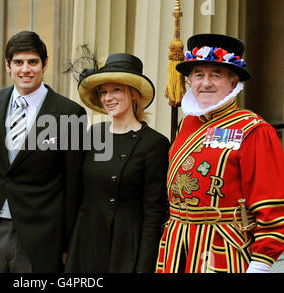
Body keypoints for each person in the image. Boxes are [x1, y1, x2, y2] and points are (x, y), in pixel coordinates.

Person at [0, 31, 87, 273]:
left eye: (33, 62)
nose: (25, 69)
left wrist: (67, 243)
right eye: (18, 62)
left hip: (41, 234)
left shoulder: (70, 113)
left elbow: (74, 185)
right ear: (8, 66)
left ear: (44, 64)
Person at [155, 34, 284, 273]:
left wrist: (261, 263)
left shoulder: (255, 130)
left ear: (233, 82)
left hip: (221, 251)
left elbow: (273, 206)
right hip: (177, 250)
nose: (205, 83)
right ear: (190, 80)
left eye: (216, 74)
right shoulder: (187, 124)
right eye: (198, 74)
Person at [64, 53, 169, 273]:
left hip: (125, 247)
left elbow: (153, 213)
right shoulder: (94, 134)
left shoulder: (154, 143)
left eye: (116, 90)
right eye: (103, 92)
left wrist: (144, 266)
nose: (107, 97)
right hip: (86, 242)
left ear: (133, 94)